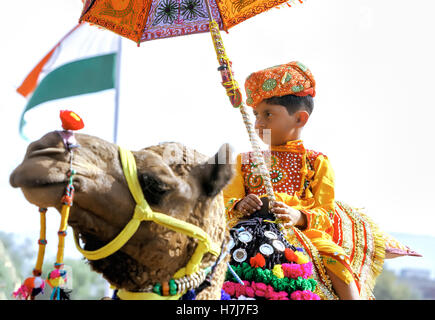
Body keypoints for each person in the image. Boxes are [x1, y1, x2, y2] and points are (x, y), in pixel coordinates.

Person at [223, 61, 360, 300]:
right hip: (247, 228)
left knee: (335, 260)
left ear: (300, 119)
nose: (258, 123)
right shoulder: (243, 161)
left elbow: (325, 214)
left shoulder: (316, 162)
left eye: (268, 114)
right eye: (256, 114)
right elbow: (225, 200)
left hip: (303, 233)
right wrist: (239, 205)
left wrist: (298, 216)